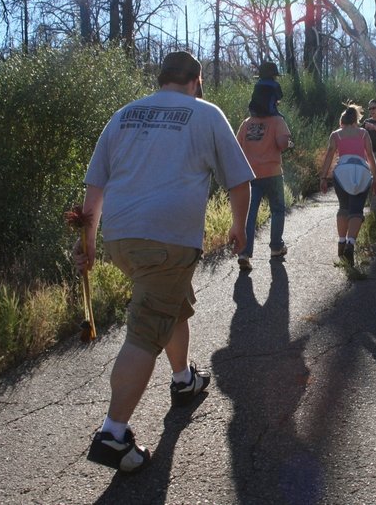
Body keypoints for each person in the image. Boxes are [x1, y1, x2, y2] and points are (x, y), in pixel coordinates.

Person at [73, 51, 253, 473]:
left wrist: (90, 242)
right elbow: (239, 179)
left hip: (121, 239)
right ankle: (113, 433)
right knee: (145, 329)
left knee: (173, 303)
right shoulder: (204, 113)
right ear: (197, 80)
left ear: (160, 79)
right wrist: (240, 227)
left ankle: (184, 380)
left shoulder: (124, 115)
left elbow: (95, 185)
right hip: (167, 242)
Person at [318, 104, 376, 266]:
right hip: (362, 172)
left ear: (342, 121)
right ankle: (351, 244)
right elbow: (371, 157)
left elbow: (329, 156)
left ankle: (341, 242)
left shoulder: (336, 135)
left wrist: (323, 178)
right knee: (357, 209)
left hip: (342, 172)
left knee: (344, 207)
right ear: (355, 120)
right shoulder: (364, 133)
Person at [235, 105, 293, 271]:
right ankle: (276, 247)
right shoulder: (277, 121)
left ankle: (244, 253)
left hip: (250, 174)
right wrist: (291, 141)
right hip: (272, 173)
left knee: (249, 214)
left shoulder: (246, 123)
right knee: (277, 210)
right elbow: (283, 144)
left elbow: (236, 146)